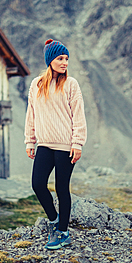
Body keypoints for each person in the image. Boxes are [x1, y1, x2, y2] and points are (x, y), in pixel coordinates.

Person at [24, 39, 87, 250]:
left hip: (65, 146)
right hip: (44, 145)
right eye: (60, 58)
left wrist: (77, 144)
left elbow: (79, 116)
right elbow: (31, 114)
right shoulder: (37, 84)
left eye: (67, 59)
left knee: (62, 188)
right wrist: (30, 141)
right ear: (50, 60)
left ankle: (63, 231)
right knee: (37, 184)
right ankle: (53, 220)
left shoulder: (71, 84)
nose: (65, 62)